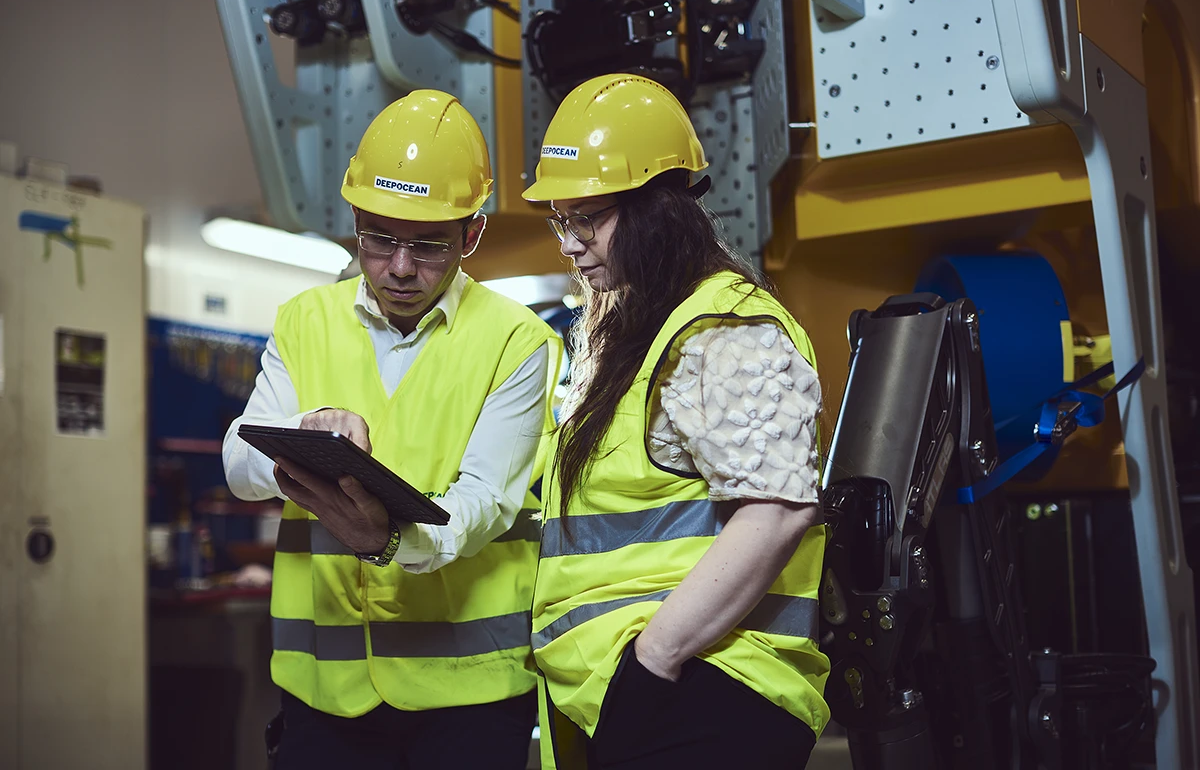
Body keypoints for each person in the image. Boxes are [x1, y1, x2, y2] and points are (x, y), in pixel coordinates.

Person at [222, 89, 560, 770]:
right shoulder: (302, 320)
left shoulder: (517, 341)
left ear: (471, 235)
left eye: (428, 245)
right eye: (379, 239)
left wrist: (391, 539)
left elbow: (485, 499)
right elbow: (239, 463)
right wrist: (303, 429)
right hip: (324, 697)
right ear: (354, 222)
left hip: (470, 701)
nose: (400, 268)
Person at [523, 73, 830, 768]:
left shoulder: (728, 329)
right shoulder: (633, 326)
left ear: (657, 210)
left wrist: (654, 659)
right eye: (560, 221)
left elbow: (776, 512)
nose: (568, 243)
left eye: (586, 219)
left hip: (708, 687)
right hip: (643, 691)